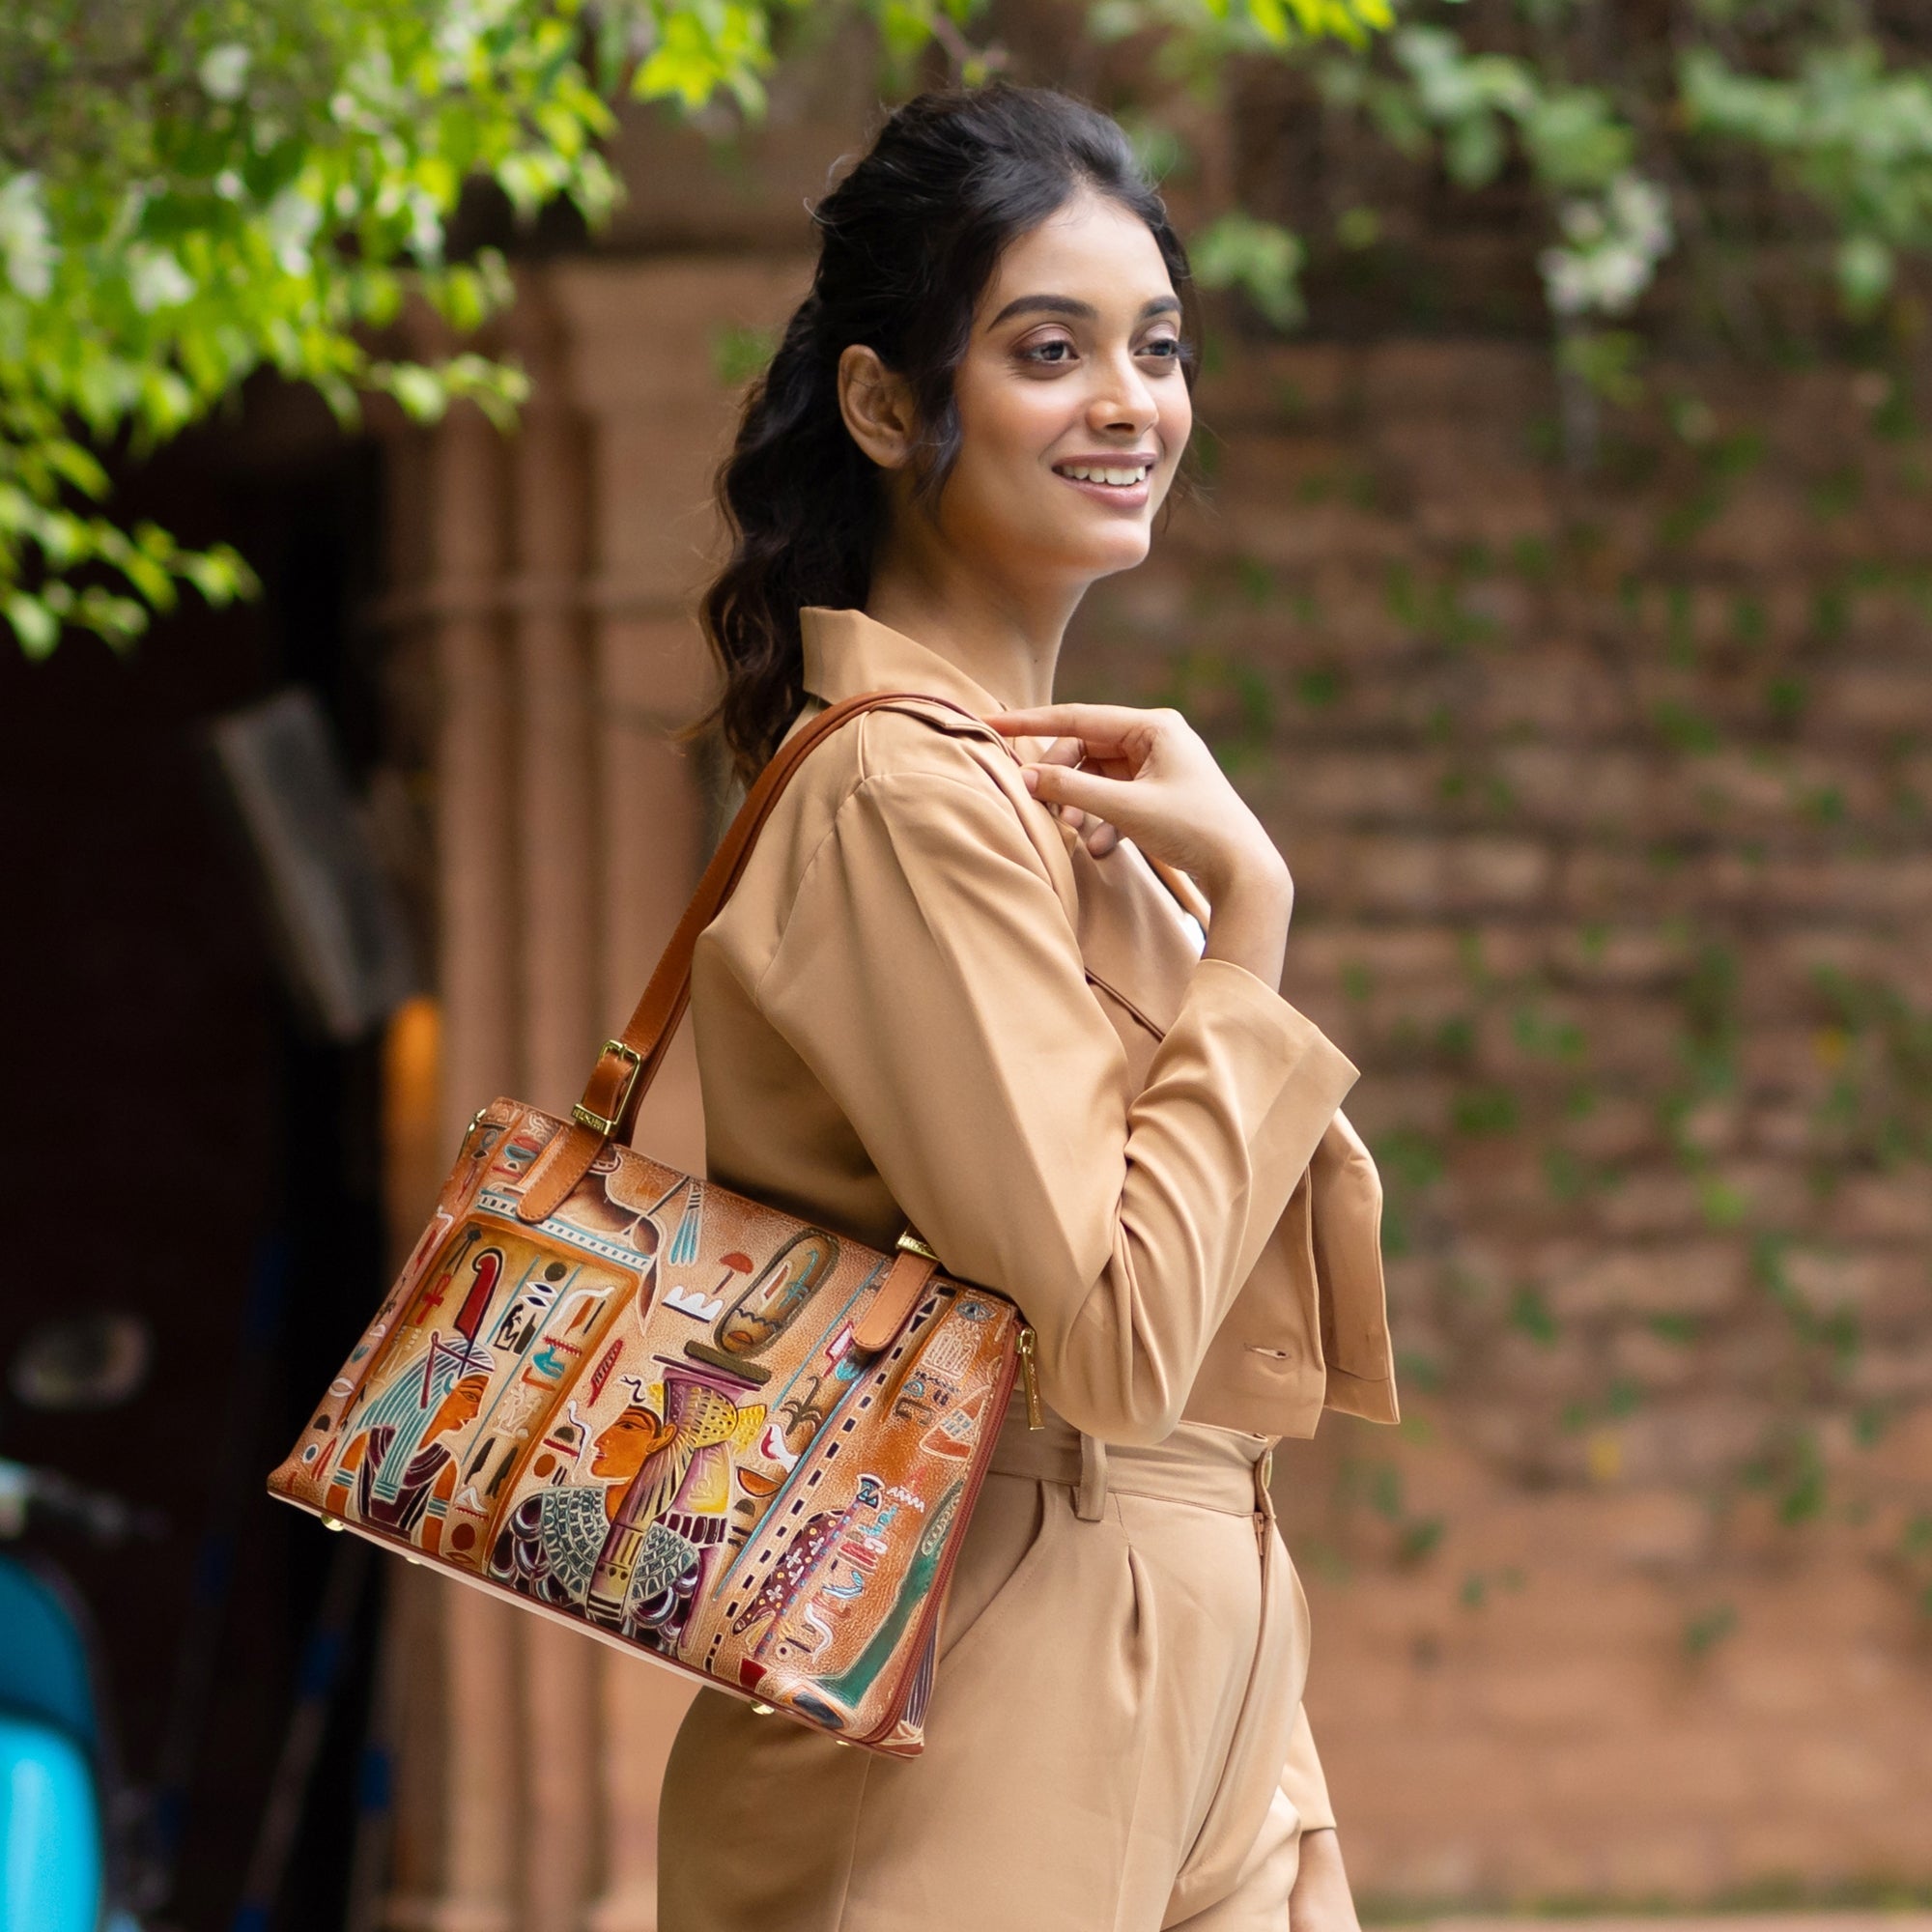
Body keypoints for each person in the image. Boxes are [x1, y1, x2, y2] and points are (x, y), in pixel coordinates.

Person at [658, 80, 1399, 1932]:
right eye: (1049, 349)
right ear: (890, 401)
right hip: (983, 1680)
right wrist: (1255, 922)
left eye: (1157, 346)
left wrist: (1277, 1774)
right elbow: (1114, 1339)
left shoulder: (1064, 809)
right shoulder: (901, 798)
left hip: (1195, 1659)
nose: (1129, 402)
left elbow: (1197, 1387)